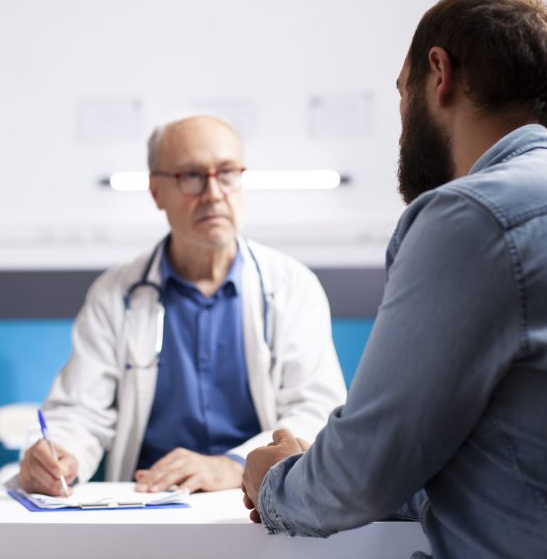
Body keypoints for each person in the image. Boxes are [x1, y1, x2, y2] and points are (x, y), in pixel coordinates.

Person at [242, 0, 547, 558]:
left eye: (402, 93)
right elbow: (497, 462)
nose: (402, 125)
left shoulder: (472, 217)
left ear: (439, 74)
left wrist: (275, 478)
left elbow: (359, 475)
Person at [18, 115, 346, 496]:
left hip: (256, 503)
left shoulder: (292, 286)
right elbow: (80, 410)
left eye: (226, 173)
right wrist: (60, 453)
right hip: (150, 503)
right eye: (190, 175)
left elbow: (316, 410)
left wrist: (233, 464)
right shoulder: (116, 293)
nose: (213, 193)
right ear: (156, 191)